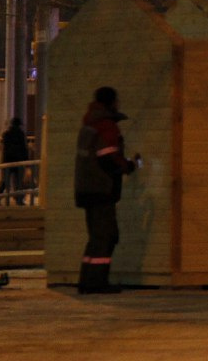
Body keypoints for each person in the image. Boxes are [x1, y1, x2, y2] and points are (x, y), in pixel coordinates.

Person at [74, 86, 138, 294]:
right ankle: (96, 283)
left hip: (86, 189)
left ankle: (87, 280)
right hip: (101, 189)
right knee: (106, 236)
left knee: (96, 237)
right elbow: (109, 158)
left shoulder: (88, 125)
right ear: (111, 102)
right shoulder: (106, 126)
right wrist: (128, 166)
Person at [0, 117, 30, 206]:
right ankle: (19, 199)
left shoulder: (6, 134)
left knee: (5, 181)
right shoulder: (21, 134)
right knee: (18, 182)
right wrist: (27, 161)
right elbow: (24, 149)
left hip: (7, 160)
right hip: (18, 160)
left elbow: (4, 147)